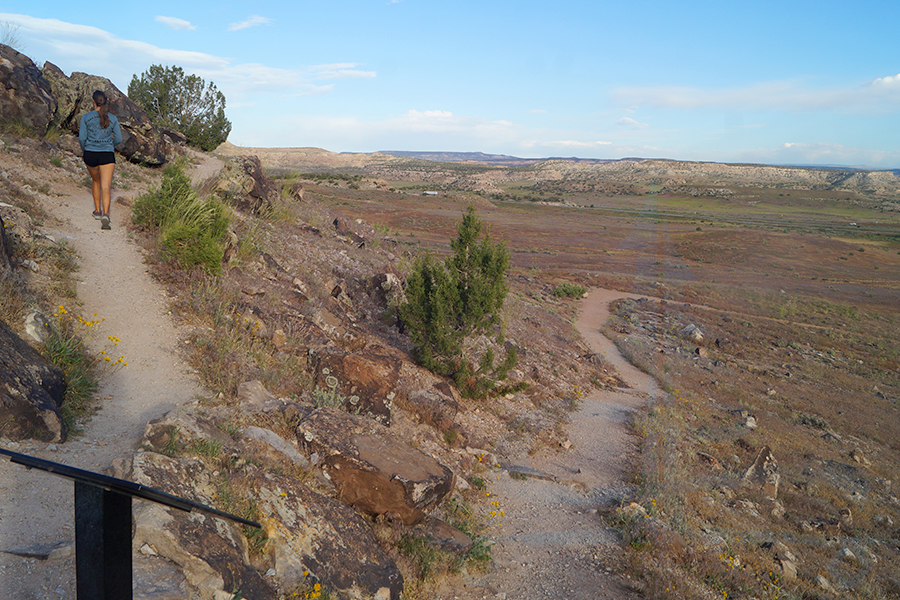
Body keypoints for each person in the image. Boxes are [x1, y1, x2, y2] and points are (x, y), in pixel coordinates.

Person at [79, 90, 123, 230]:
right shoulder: (113, 118)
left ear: (93, 101)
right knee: (106, 186)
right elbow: (119, 139)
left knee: (96, 181)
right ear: (105, 102)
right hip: (107, 155)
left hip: (90, 153)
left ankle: (97, 211)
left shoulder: (86, 117)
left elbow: (81, 138)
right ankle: (106, 215)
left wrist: (85, 149)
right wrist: (109, 145)